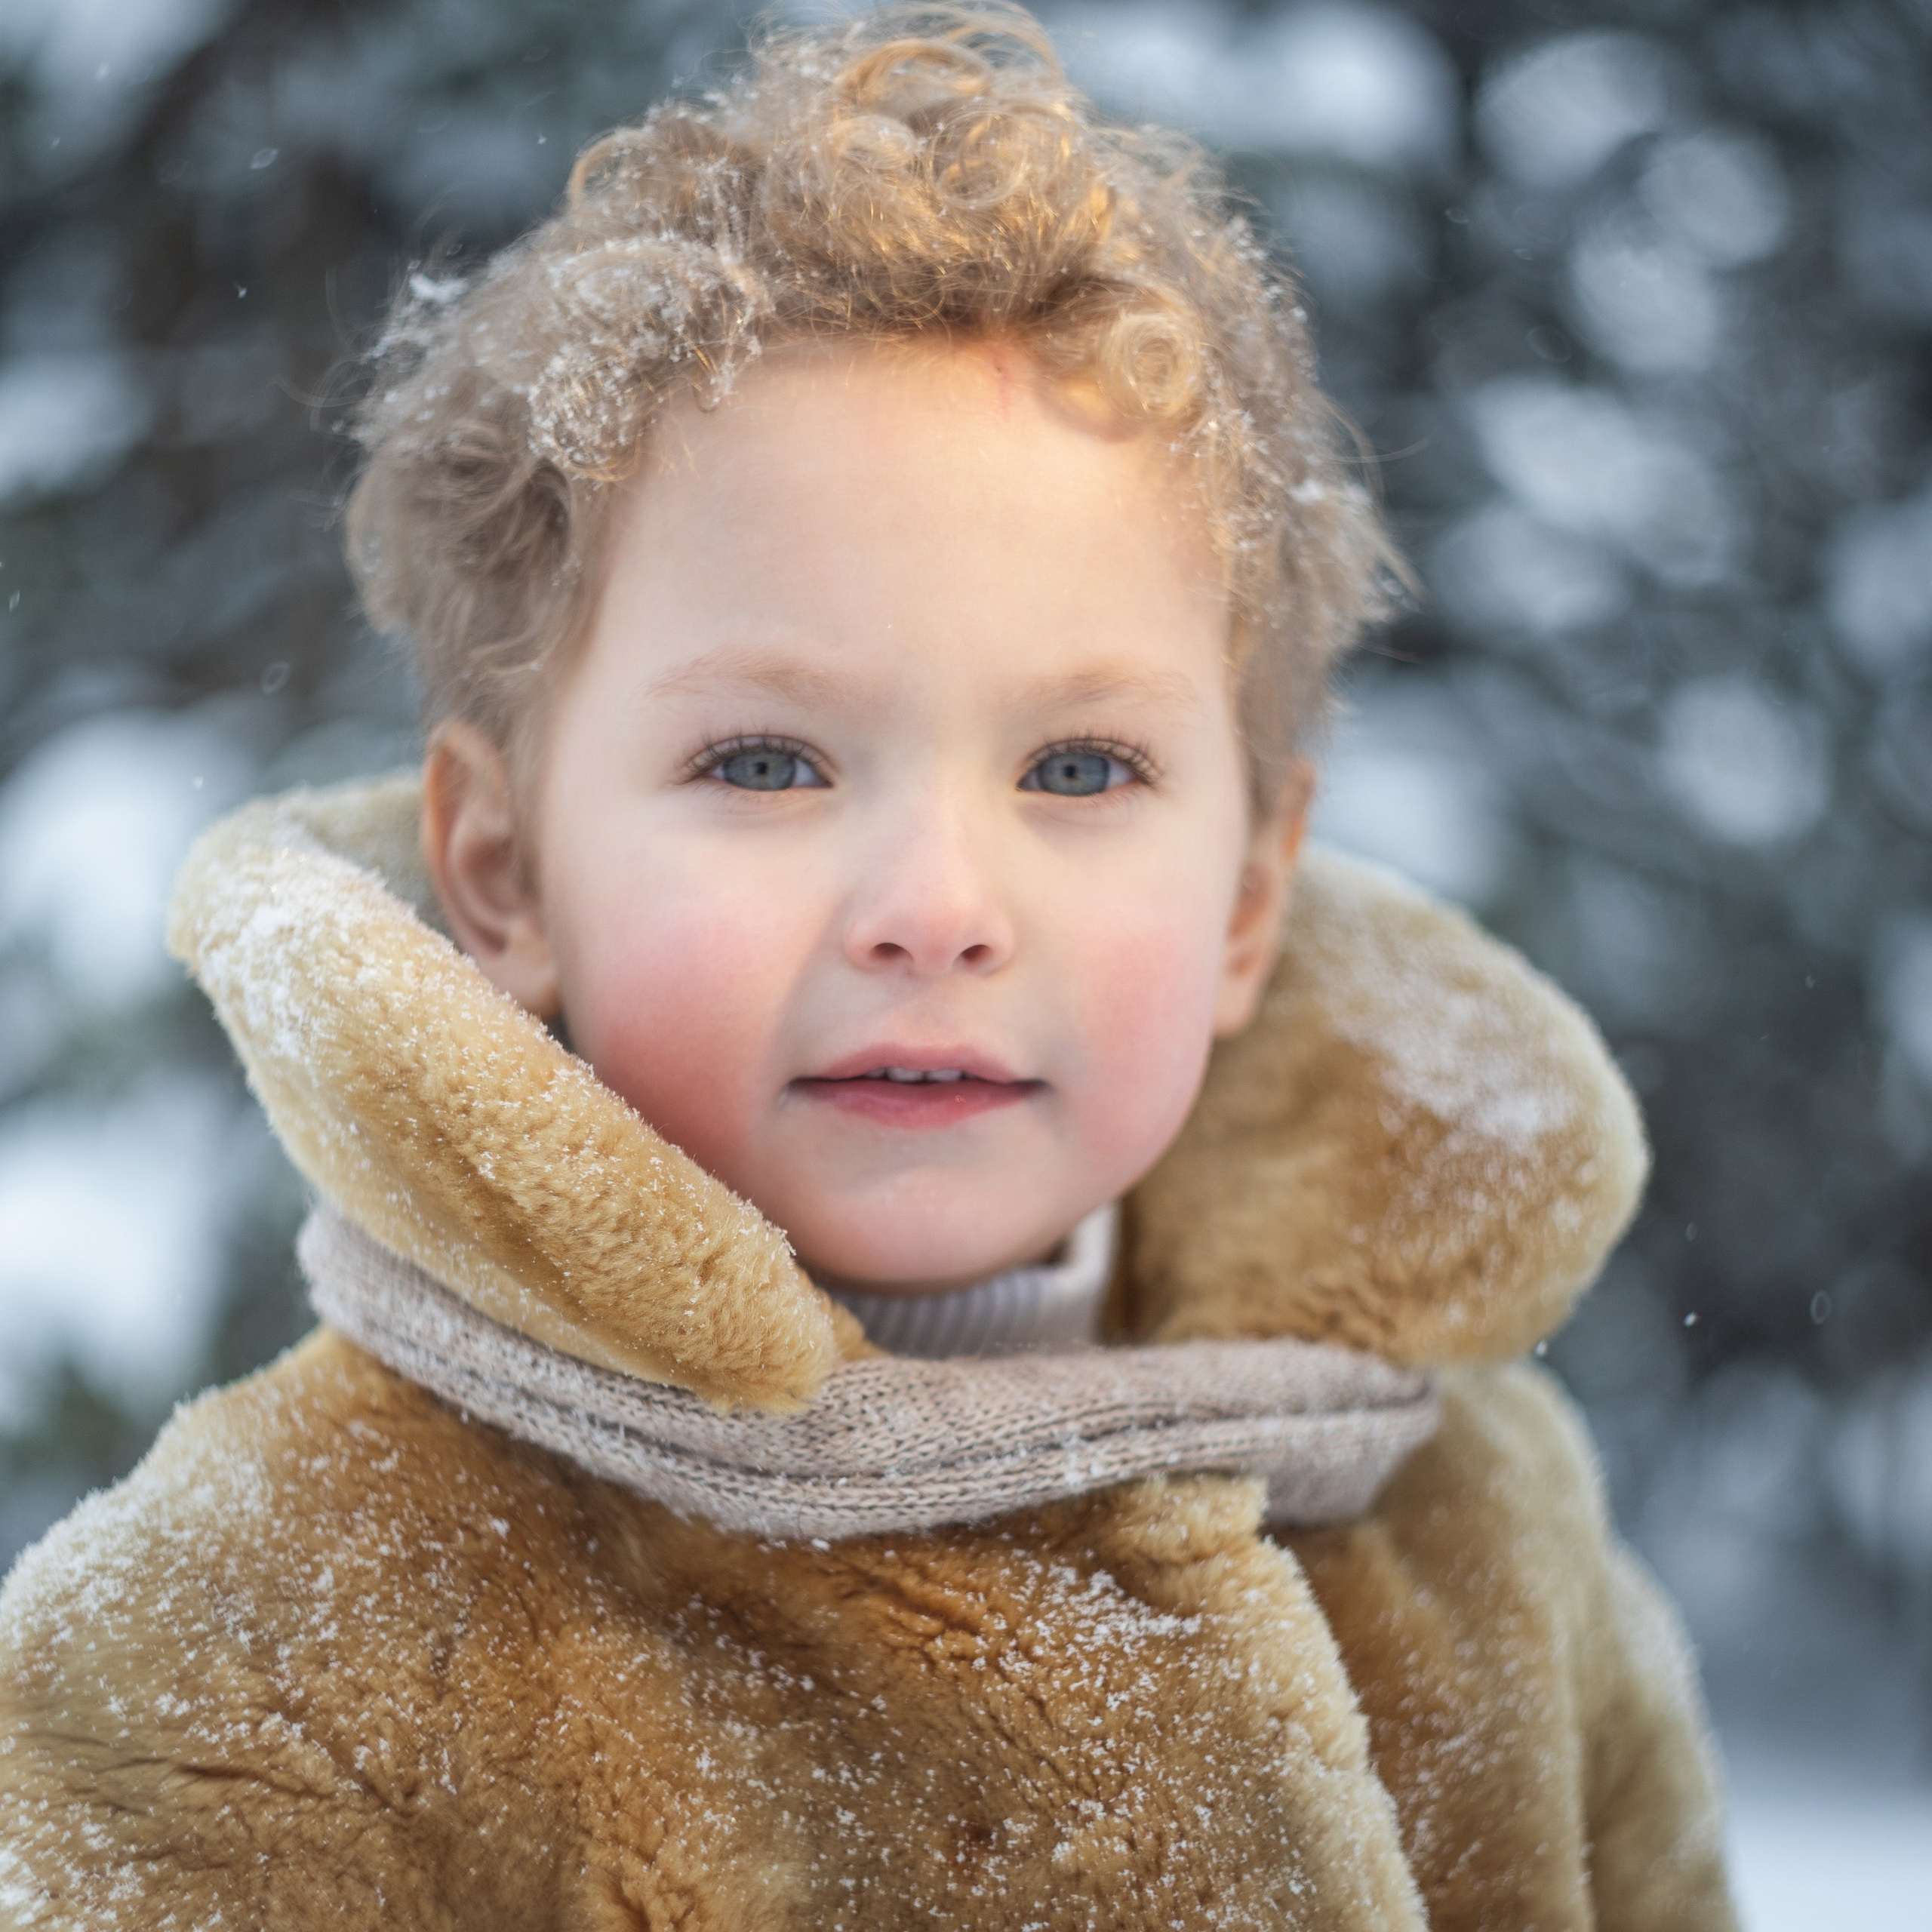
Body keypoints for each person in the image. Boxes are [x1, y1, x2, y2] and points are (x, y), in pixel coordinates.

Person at [0, 7, 1738, 1925]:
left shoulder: (1477, 1520)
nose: (934, 902)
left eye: (1078, 765)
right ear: (502, 872)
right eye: (766, 760)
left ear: (1248, 896)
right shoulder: (259, 1623)